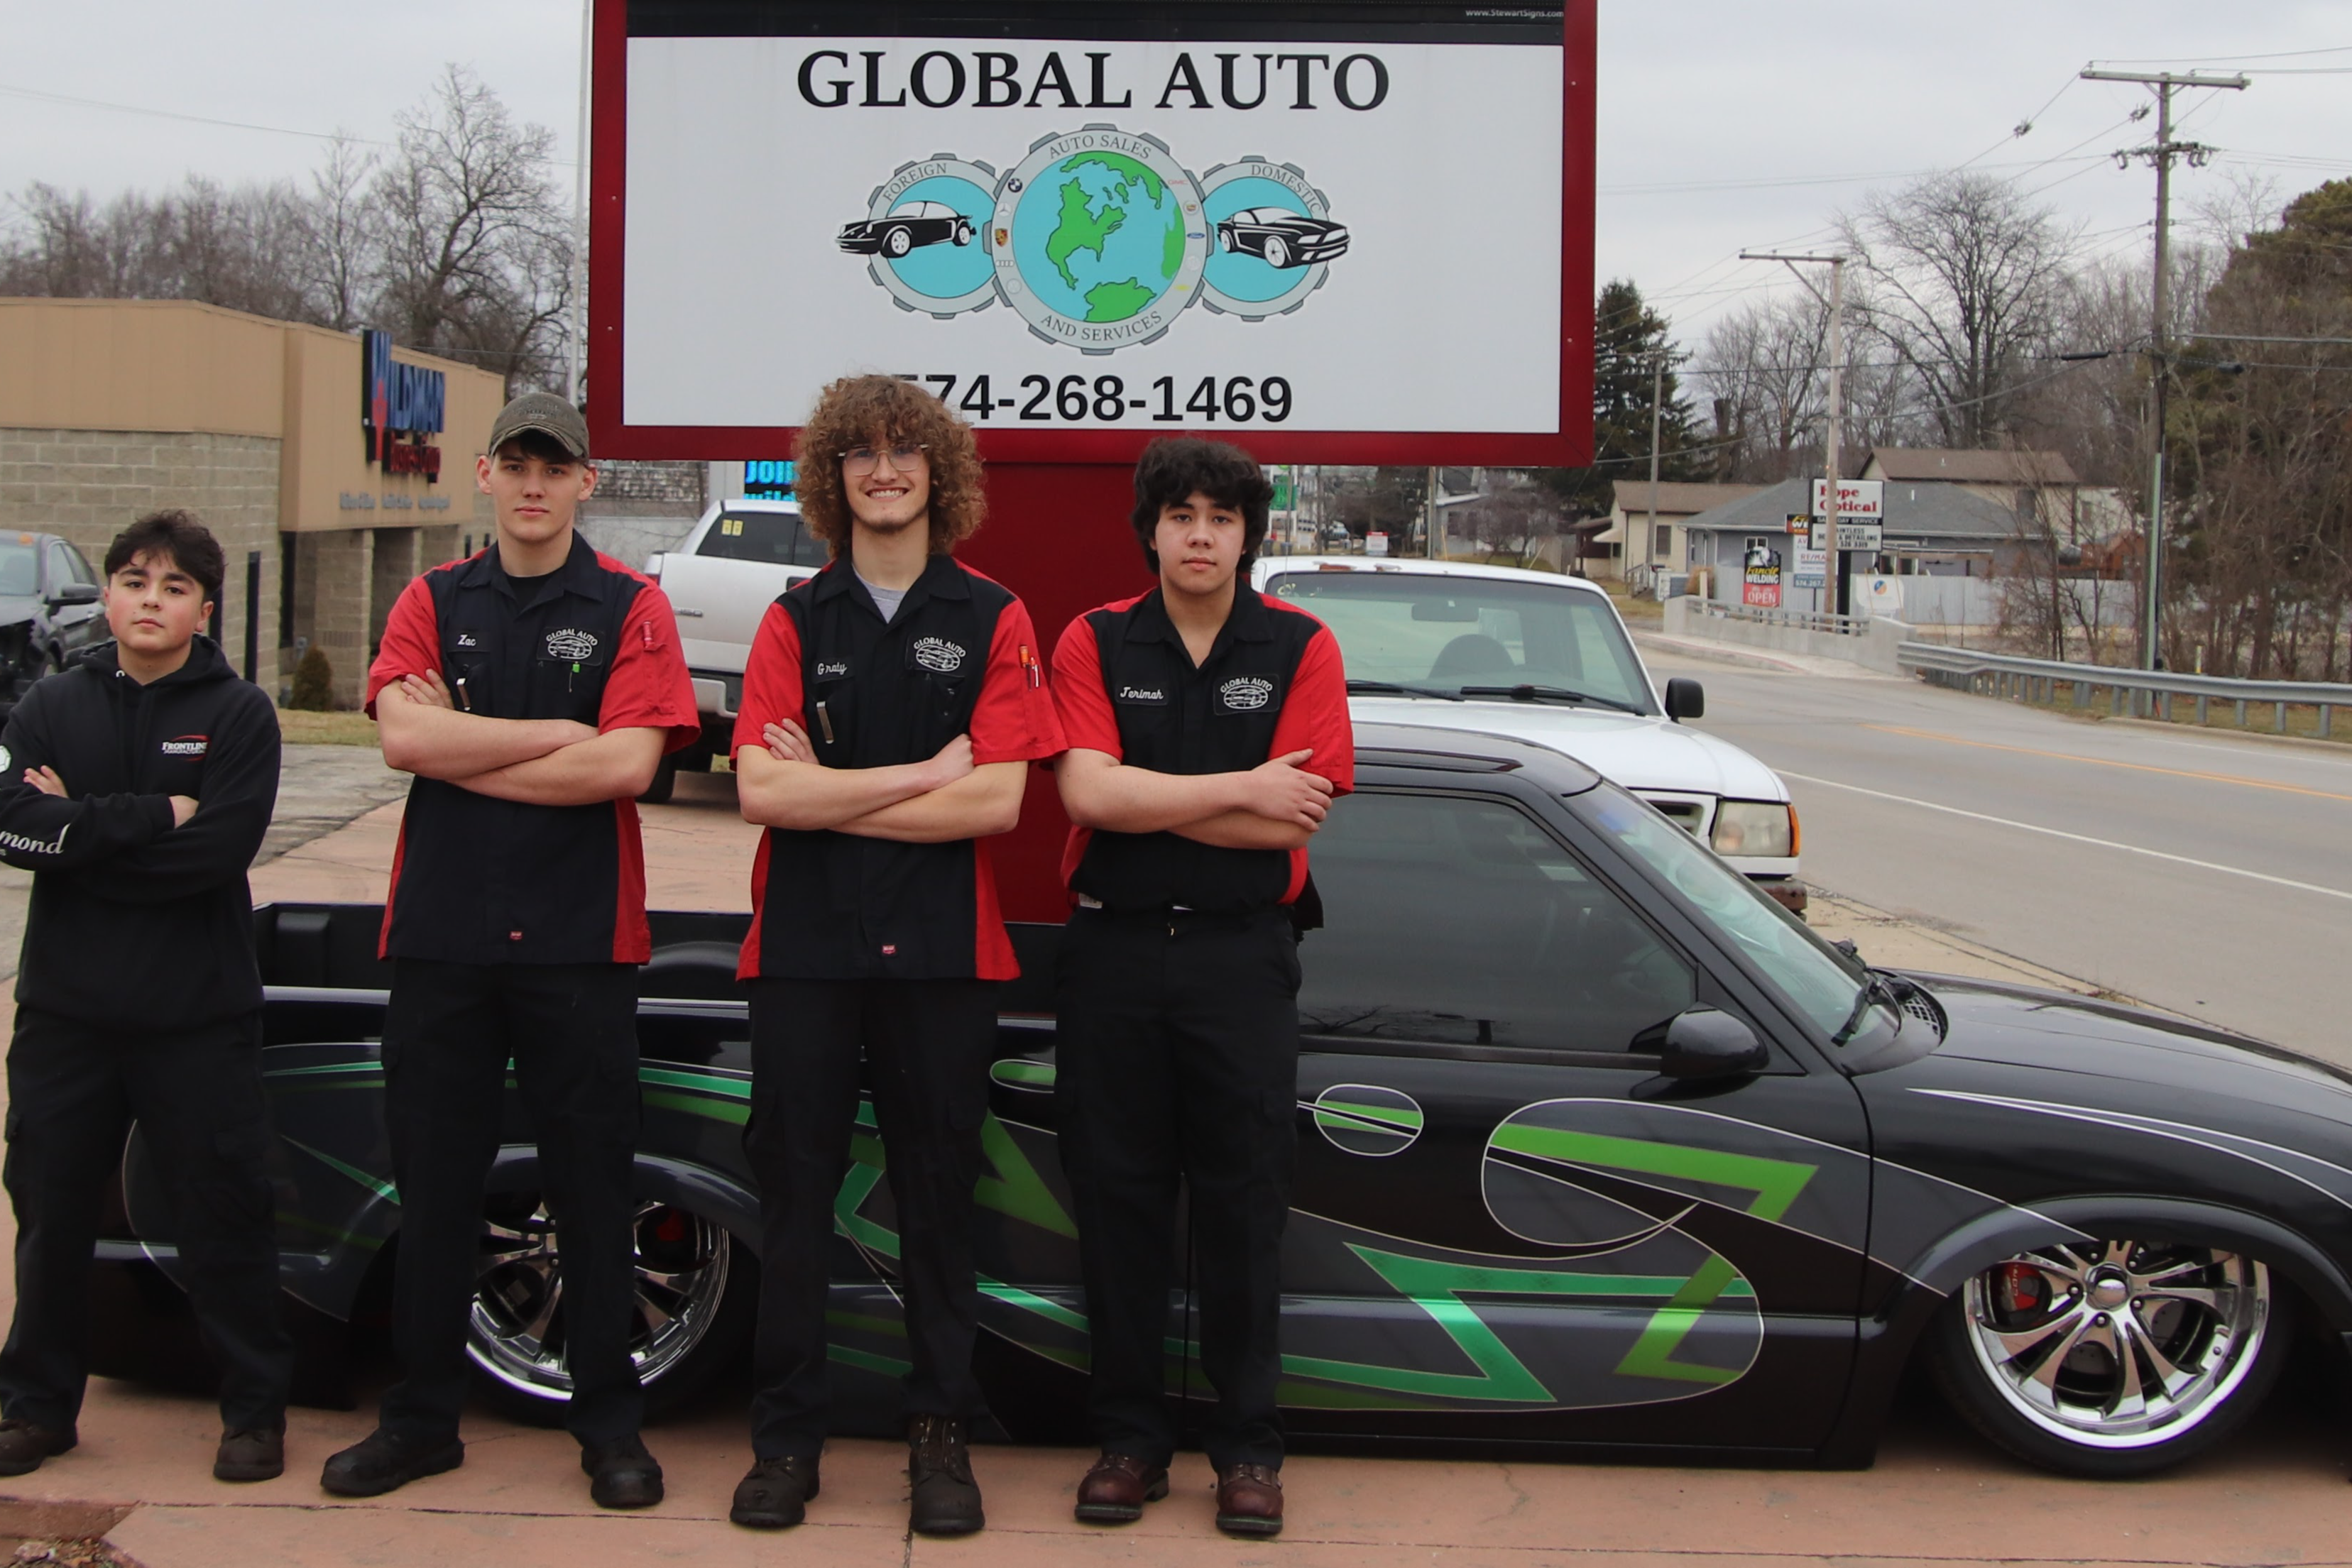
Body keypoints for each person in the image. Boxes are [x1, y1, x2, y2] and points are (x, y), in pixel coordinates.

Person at [322, 393, 698, 1509]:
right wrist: (554, 737)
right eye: (517, 464)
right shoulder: (431, 599)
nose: (536, 484)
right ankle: (422, 1420)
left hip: (581, 948)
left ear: (588, 482)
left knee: (593, 1197)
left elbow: (626, 770)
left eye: (558, 466)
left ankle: (610, 1428)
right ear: (483, 475)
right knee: (435, 1193)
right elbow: (401, 736)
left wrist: (461, 748)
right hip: (443, 940)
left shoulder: (633, 604)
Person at [727, 375, 1063, 1537]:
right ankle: (785, 1440)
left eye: (904, 452)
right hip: (806, 960)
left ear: (940, 473)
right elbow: (763, 792)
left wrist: (829, 794)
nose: (884, 470)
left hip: (939, 962)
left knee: (935, 1206)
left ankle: (941, 1438)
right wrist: (925, 771)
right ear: (832, 475)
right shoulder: (791, 619)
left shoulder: (994, 617)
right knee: (797, 1202)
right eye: (861, 453)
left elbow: (998, 806)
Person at [1049, 437, 1352, 1539]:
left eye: (1221, 518)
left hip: (1241, 960)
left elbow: (1296, 816)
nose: (1199, 534)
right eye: (1179, 514)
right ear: (1151, 528)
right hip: (1115, 957)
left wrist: (1152, 794)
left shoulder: (1302, 647)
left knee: (1241, 1208)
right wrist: (1238, 789)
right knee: (1119, 1202)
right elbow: (1084, 793)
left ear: (1248, 533)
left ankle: (1248, 1450)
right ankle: (1130, 1441)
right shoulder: (1092, 639)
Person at [0, 510, 293, 1483]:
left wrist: (75, 832)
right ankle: (37, 1407)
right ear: (110, 596)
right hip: (67, 1018)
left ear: (204, 607)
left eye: (173, 588)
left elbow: (217, 854)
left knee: (225, 1213)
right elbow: (9, 829)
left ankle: (253, 1412)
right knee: (48, 1216)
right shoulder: (52, 703)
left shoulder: (240, 713)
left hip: (195, 1019)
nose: (150, 602)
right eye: (134, 582)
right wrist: (144, 819)